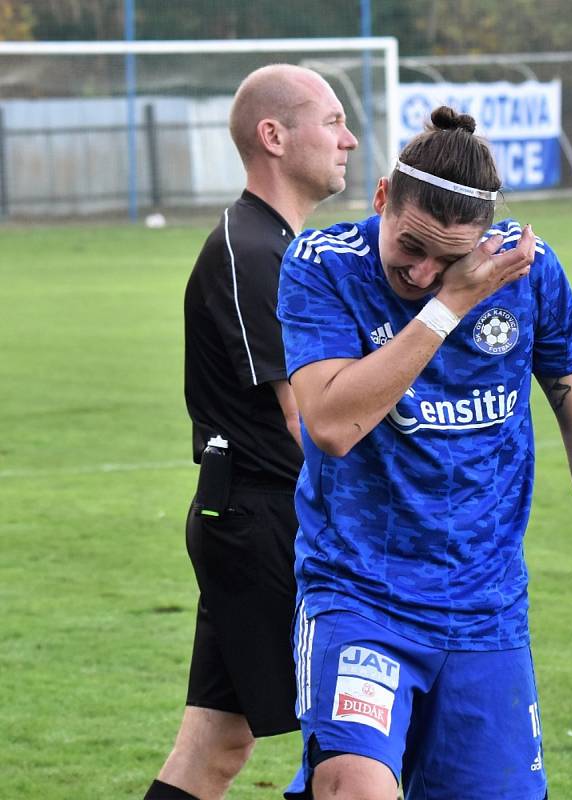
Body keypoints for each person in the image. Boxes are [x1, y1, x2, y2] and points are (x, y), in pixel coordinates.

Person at [278, 106, 572, 800]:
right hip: (360, 598)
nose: (421, 272)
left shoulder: (527, 274)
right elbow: (330, 424)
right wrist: (448, 305)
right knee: (353, 786)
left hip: (485, 610)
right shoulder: (322, 265)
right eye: (410, 245)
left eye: (448, 258)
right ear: (382, 197)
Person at [142, 64, 357, 800]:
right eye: (331, 122)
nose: (348, 139)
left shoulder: (280, 246)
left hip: (253, 517)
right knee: (353, 743)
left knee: (214, 747)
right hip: (264, 522)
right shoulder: (252, 250)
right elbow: (305, 418)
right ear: (274, 135)